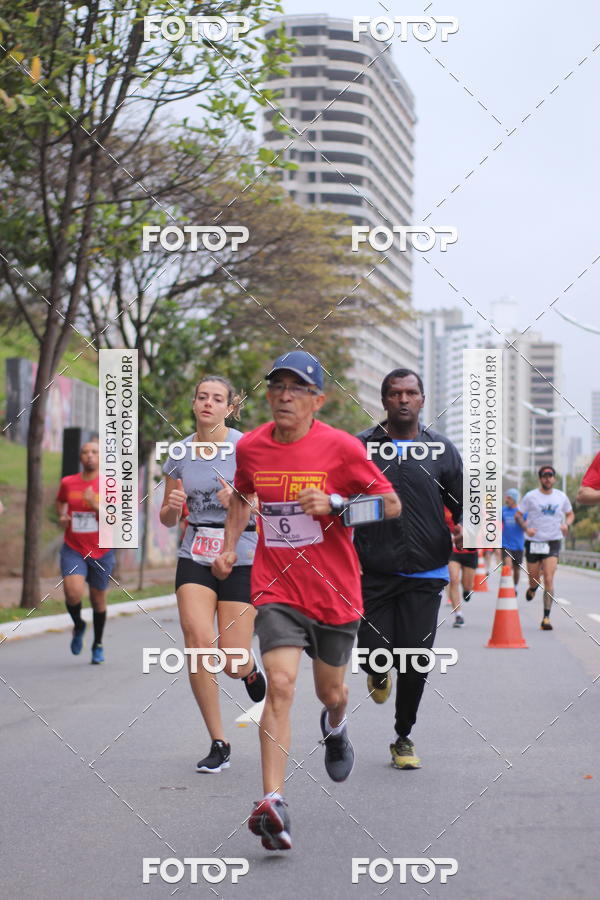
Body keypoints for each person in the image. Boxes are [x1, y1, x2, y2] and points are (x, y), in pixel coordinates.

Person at [212, 351, 401, 851]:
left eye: (297, 389)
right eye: (277, 387)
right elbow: (241, 495)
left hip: (335, 591)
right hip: (277, 587)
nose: (285, 396)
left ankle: (336, 726)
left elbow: (389, 503)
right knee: (279, 683)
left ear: (318, 399)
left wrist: (339, 504)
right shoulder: (251, 447)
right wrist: (231, 545)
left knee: (331, 692)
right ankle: (272, 801)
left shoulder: (340, 448)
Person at [353, 369, 463, 770]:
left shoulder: (442, 450)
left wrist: (469, 525)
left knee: (416, 657)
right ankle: (377, 671)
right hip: (371, 570)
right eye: (395, 393)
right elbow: (339, 496)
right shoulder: (360, 448)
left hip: (426, 571)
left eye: (411, 393)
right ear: (383, 400)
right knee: (374, 650)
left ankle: (402, 736)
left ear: (422, 400)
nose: (403, 399)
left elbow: (463, 502)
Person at [159, 375, 266, 774]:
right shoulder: (180, 453)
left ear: (230, 407)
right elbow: (168, 518)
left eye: (216, 398)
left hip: (242, 553)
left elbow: (266, 505)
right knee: (198, 641)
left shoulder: (246, 447)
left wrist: (242, 499)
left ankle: (249, 669)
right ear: (193, 403)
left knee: (231, 662)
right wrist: (172, 505)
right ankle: (218, 741)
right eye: (201, 396)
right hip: (196, 554)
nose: (207, 403)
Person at [56, 440, 115, 664]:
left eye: (94, 452)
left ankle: (98, 643)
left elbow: (114, 519)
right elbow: (60, 502)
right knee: (73, 593)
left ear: (101, 457)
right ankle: (79, 625)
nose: (89, 455)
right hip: (74, 548)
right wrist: (63, 516)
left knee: (98, 600)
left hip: (102, 550)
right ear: (80, 457)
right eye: (85, 452)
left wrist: (94, 504)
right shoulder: (68, 483)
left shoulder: (111, 485)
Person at [515, 466, 574, 631]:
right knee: (534, 579)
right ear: (540, 478)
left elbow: (570, 514)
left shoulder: (561, 497)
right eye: (544, 476)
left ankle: (546, 617)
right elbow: (518, 515)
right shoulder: (531, 496)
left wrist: (566, 525)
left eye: (550, 476)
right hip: (534, 541)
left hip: (553, 540)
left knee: (548, 578)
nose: (547, 478)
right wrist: (526, 528)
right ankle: (533, 587)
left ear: (554, 478)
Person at [501, 488, 527, 591]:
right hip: (505, 544)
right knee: (508, 566)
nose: (506, 499)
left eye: (509, 497)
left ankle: (514, 587)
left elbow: (527, 525)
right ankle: (508, 587)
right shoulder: (503, 510)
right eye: (506, 497)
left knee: (517, 570)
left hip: (518, 545)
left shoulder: (522, 512)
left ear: (514, 499)